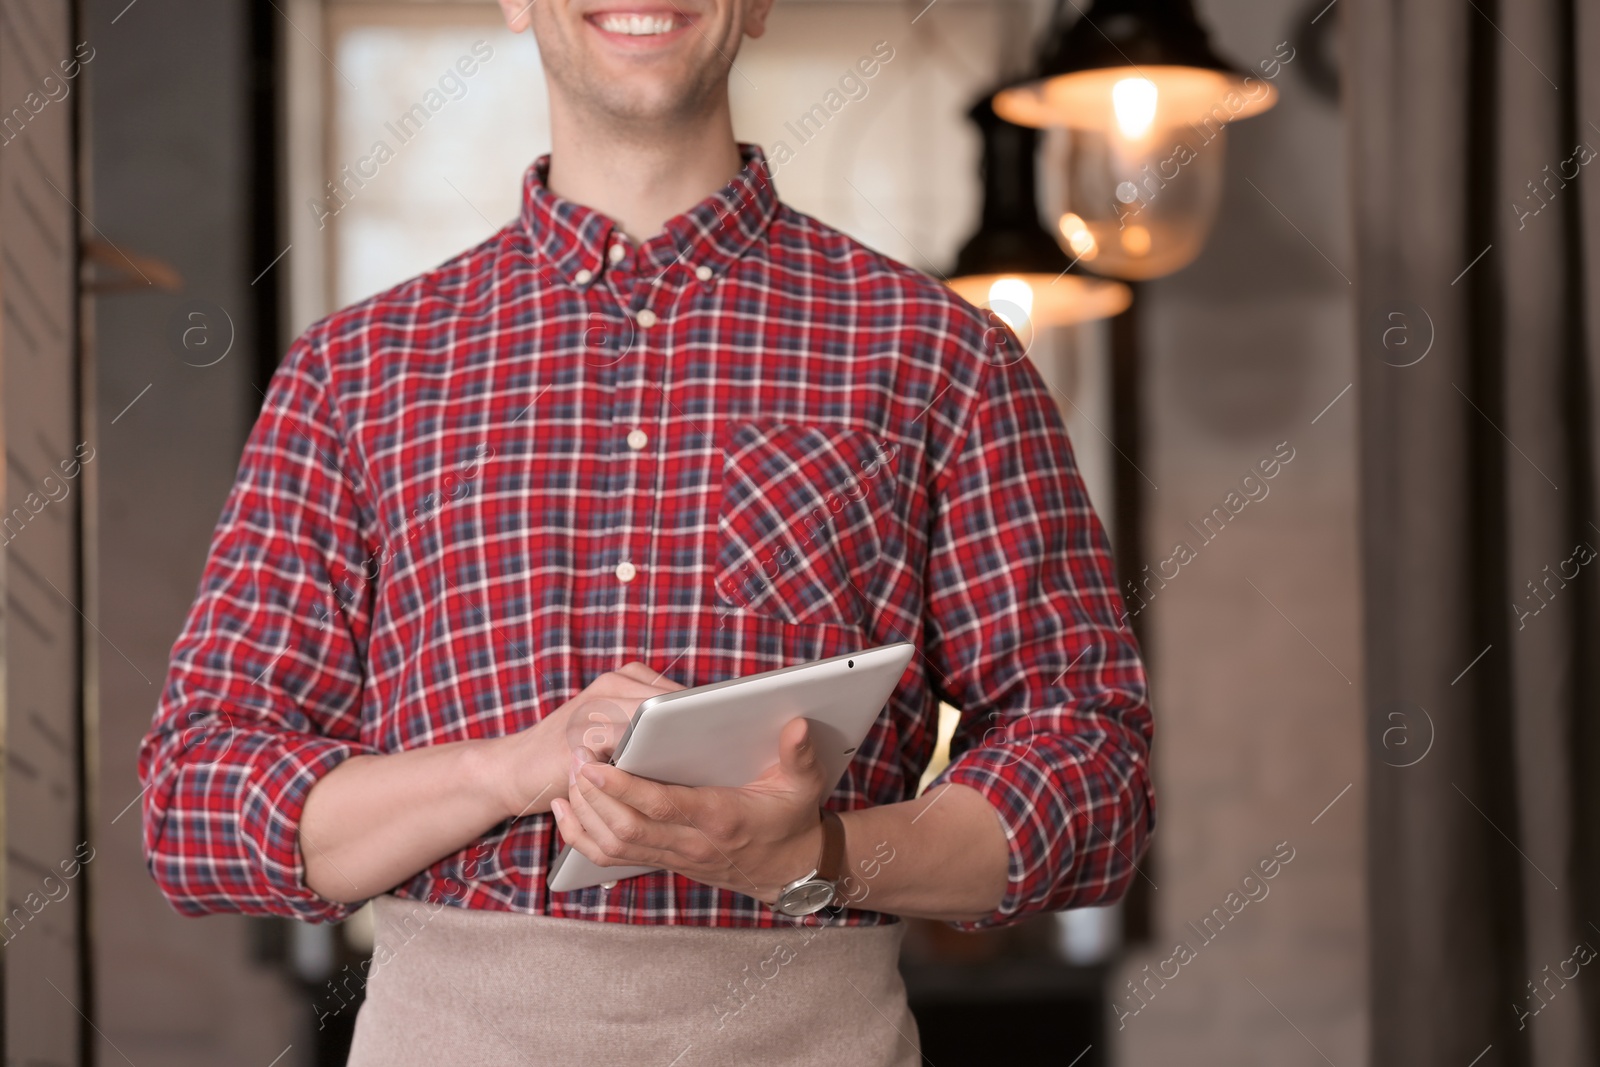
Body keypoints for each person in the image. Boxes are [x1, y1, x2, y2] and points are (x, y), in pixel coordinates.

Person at [138, 0, 1155, 1063]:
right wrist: (511, 769)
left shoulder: (940, 357)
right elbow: (198, 793)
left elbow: (1091, 760)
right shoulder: (355, 376)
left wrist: (819, 853)